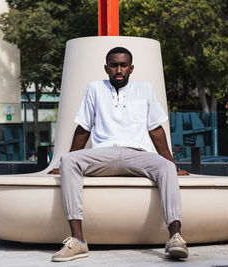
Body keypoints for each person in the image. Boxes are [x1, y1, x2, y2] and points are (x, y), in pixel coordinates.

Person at [48, 47, 189, 262]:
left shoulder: (145, 89)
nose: (119, 69)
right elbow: (83, 128)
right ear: (107, 68)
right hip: (104, 153)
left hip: (137, 153)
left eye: (123, 65)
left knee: (167, 167)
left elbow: (156, 130)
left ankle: (175, 237)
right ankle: (78, 240)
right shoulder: (94, 88)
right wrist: (64, 162)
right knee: (68, 160)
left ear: (131, 68)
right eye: (114, 65)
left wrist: (173, 165)